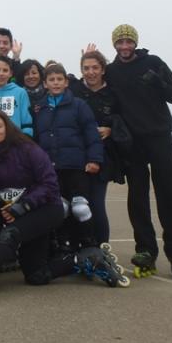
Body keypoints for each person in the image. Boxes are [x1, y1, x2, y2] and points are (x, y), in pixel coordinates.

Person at [0, 110, 127, 303]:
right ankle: (88, 259)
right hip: (20, 210)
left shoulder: (27, 149)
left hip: (48, 208)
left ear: (7, 127)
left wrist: (24, 206)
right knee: (37, 275)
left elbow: (49, 184)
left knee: (10, 234)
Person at [105, 24, 172, 281]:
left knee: (169, 195)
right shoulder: (111, 71)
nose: (124, 46)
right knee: (138, 198)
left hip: (160, 138)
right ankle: (145, 250)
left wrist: (158, 81)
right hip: (132, 143)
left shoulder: (154, 62)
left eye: (128, 41)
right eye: (120, 42)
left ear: (135, 43)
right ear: (114, 45)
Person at [35, 63, 103, 252]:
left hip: (76, 167)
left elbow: (92, 133)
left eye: (59, 79)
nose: (56, 83)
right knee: (61, 209)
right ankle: (64, 247)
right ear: (45, 84)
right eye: (51, 80)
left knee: (80, 208)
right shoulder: (39, 108)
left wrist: (94, 159)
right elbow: (37, 139)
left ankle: (90, 245)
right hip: (52, 169)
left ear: (66, 82)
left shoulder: (79, 105)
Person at [69, 48, 127, 244]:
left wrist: (111, 129)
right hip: (77, 156)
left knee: (96, 203)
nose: (91, 72)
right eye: (86, 68)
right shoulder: (75, 90)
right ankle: (80, 246)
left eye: (95, 67)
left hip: (103, 157)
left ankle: (102, 247)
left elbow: (125, 119)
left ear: (103, 69)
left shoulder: (113, 93)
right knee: (77, 204)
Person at [0, 56, 33, 136]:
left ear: (10, 73)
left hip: (16, 140)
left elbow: (26, 120)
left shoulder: (20, 92)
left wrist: (26, 139)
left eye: (5, 70)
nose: (1, 74)